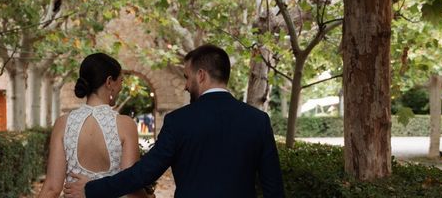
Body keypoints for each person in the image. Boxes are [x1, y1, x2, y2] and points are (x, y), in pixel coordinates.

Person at [63, 44, 285, 198]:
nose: (185, 85)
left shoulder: (179, 121)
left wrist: (91, 190)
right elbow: (274, 188)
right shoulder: (258, 121)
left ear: (201, 75)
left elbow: (143, 173)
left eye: (187, 77)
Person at [37, 53, 150, 198]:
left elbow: (51, 189)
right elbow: (131, 188)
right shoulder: (126, 125)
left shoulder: (63, 124)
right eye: (121, 81)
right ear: (109, 82)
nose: (121, 87)